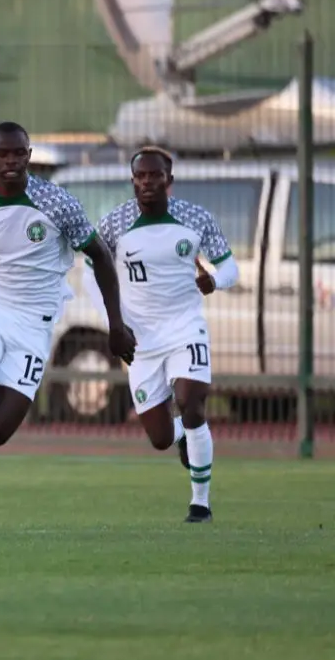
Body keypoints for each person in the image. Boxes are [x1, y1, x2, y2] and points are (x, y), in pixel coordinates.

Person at [0, 121, 135, 534]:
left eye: (19, 153)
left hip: (35, 327)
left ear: (29, 156)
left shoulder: (58, 204)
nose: (11, 161)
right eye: (3, 154)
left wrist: (116, 324)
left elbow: (102, 257)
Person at [82, 147, 237, 523]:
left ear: (170, 180)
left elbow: (230, 266)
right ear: (133, 181)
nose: (148, 182)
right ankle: (181, 435)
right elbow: (91, 273)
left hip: (186, 328)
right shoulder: (115, 224)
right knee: (160, 438)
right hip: (142, 341)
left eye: (156, 176)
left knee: (191, 403)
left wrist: (213, 280)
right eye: (141, 176)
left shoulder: (196, 219)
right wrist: (115, 323)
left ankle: (200, 503)